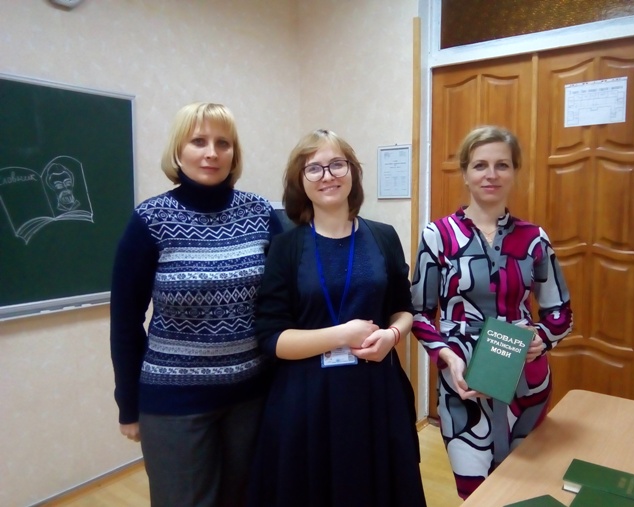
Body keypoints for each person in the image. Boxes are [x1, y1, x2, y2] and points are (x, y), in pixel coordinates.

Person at [110, 102, 282, 507]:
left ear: (234, 154)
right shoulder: (150, 219)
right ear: (178, 151)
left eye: (223, 143)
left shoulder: (260, 213)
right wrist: (128, 405)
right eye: (198, 142)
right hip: (175, 405)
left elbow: (282, 301)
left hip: (251, 398)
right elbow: (125, 322)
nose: (211, 153)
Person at [247, 129, 427, 507]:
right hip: (308, 401)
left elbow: (404, 309)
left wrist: (393, 336)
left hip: (376, 394)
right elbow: (272, 338)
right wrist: (342, 334)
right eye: (314, 168)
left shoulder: (383, 236)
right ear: (300, 181)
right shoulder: (285, 247)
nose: (327, 176)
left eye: (336, 165)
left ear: (352, 172)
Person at [410, 125, 573, 499]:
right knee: (475, 494)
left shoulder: (534, 239)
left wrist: (542, 338)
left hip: (525, 383)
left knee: (523, 493)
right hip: (463, 385)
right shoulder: (438, 236)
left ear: (514, 172)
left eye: (502, 165)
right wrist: (447, 357)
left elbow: (561, 312)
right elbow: (418, 313)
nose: (491, 174)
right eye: (480, 165)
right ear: (465, 173)